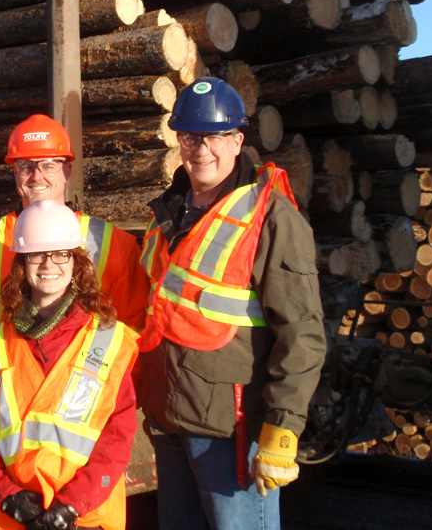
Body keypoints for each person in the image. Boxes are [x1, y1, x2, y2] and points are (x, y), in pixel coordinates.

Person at [136, 77, 327, 530]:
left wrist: (283, 426)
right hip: (169, 421)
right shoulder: (166, 214)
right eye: (190, 137)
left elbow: (302, 332)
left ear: (238, 141)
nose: (201, 149)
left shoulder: (272, 216)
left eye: (215, 137)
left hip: (231, 430)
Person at [0, 200, 139, 530]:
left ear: (75, 263)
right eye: (37, 255)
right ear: (22, 265)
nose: (48, 264)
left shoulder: (107, 341)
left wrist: (73, 505)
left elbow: (118, 435)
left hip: (87, 518)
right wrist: (5, 495)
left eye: (61, 254)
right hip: (12, 517)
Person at [0, 113, 149, 332]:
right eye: (26, 166)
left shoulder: (116, 245)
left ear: (67, 171)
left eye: (49, 166)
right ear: (15, 172)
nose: (37, 176)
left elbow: (133, 333)